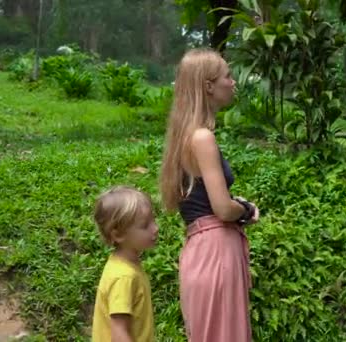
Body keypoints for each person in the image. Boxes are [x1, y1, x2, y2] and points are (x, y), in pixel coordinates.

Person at [159, 48, 260, 342]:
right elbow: (222, 209)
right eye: (227, 76)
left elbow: (206, 201)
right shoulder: (202, 137)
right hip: (217, 252)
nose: (233, 82)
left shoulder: (184, 136)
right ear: (208, 86)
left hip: (199, 250)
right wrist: (246, 209)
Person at [91, 186, 158, 342]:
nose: (155, 228)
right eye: (145, 225)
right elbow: (119, 332)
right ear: (118, 234)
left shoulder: (122, 266)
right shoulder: (124, 277)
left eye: (153, 220)